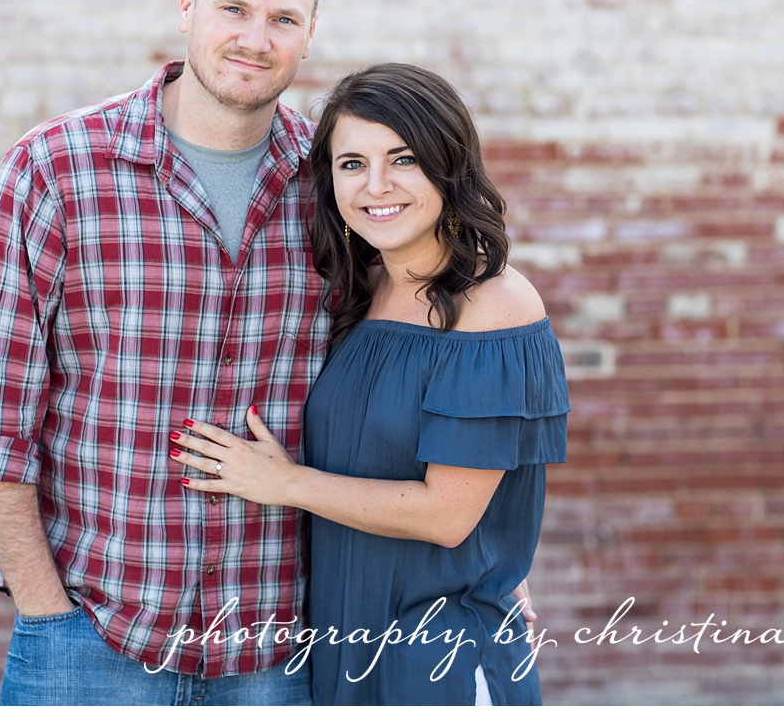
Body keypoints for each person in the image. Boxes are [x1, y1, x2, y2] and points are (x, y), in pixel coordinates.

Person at [0, 0, 334, 705]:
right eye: (234, 9)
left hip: (277, 654)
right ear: (187, 4)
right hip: (93, 642)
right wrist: (48, 613)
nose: (256, 38)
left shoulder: (341, 186)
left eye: (283, 18)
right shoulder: (54, 171)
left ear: (309, 32)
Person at [169, 63, 570, 705]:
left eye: (403, 159)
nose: (375, 185)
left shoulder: (494, 304)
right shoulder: (361, 290)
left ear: (449, 166)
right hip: (340, 649)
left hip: (436, 662)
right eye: (352, 163)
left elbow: (447, 515)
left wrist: (284, 483)